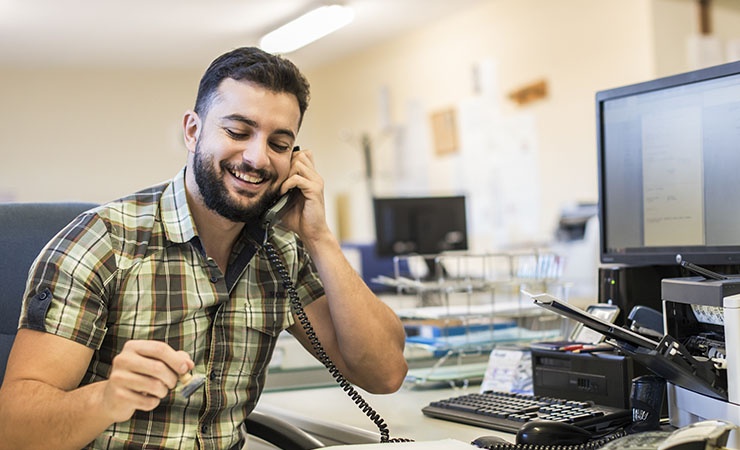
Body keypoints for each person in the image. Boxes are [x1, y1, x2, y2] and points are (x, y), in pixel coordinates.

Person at [0, 46, 408, 449]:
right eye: (237, 131)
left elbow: (384, 373)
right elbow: (13, 430)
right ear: (193, 131)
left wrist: (320, 238)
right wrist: (107, 398)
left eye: (279, 144)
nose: (256, 158)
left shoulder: (282, 250)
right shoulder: (103, 243)